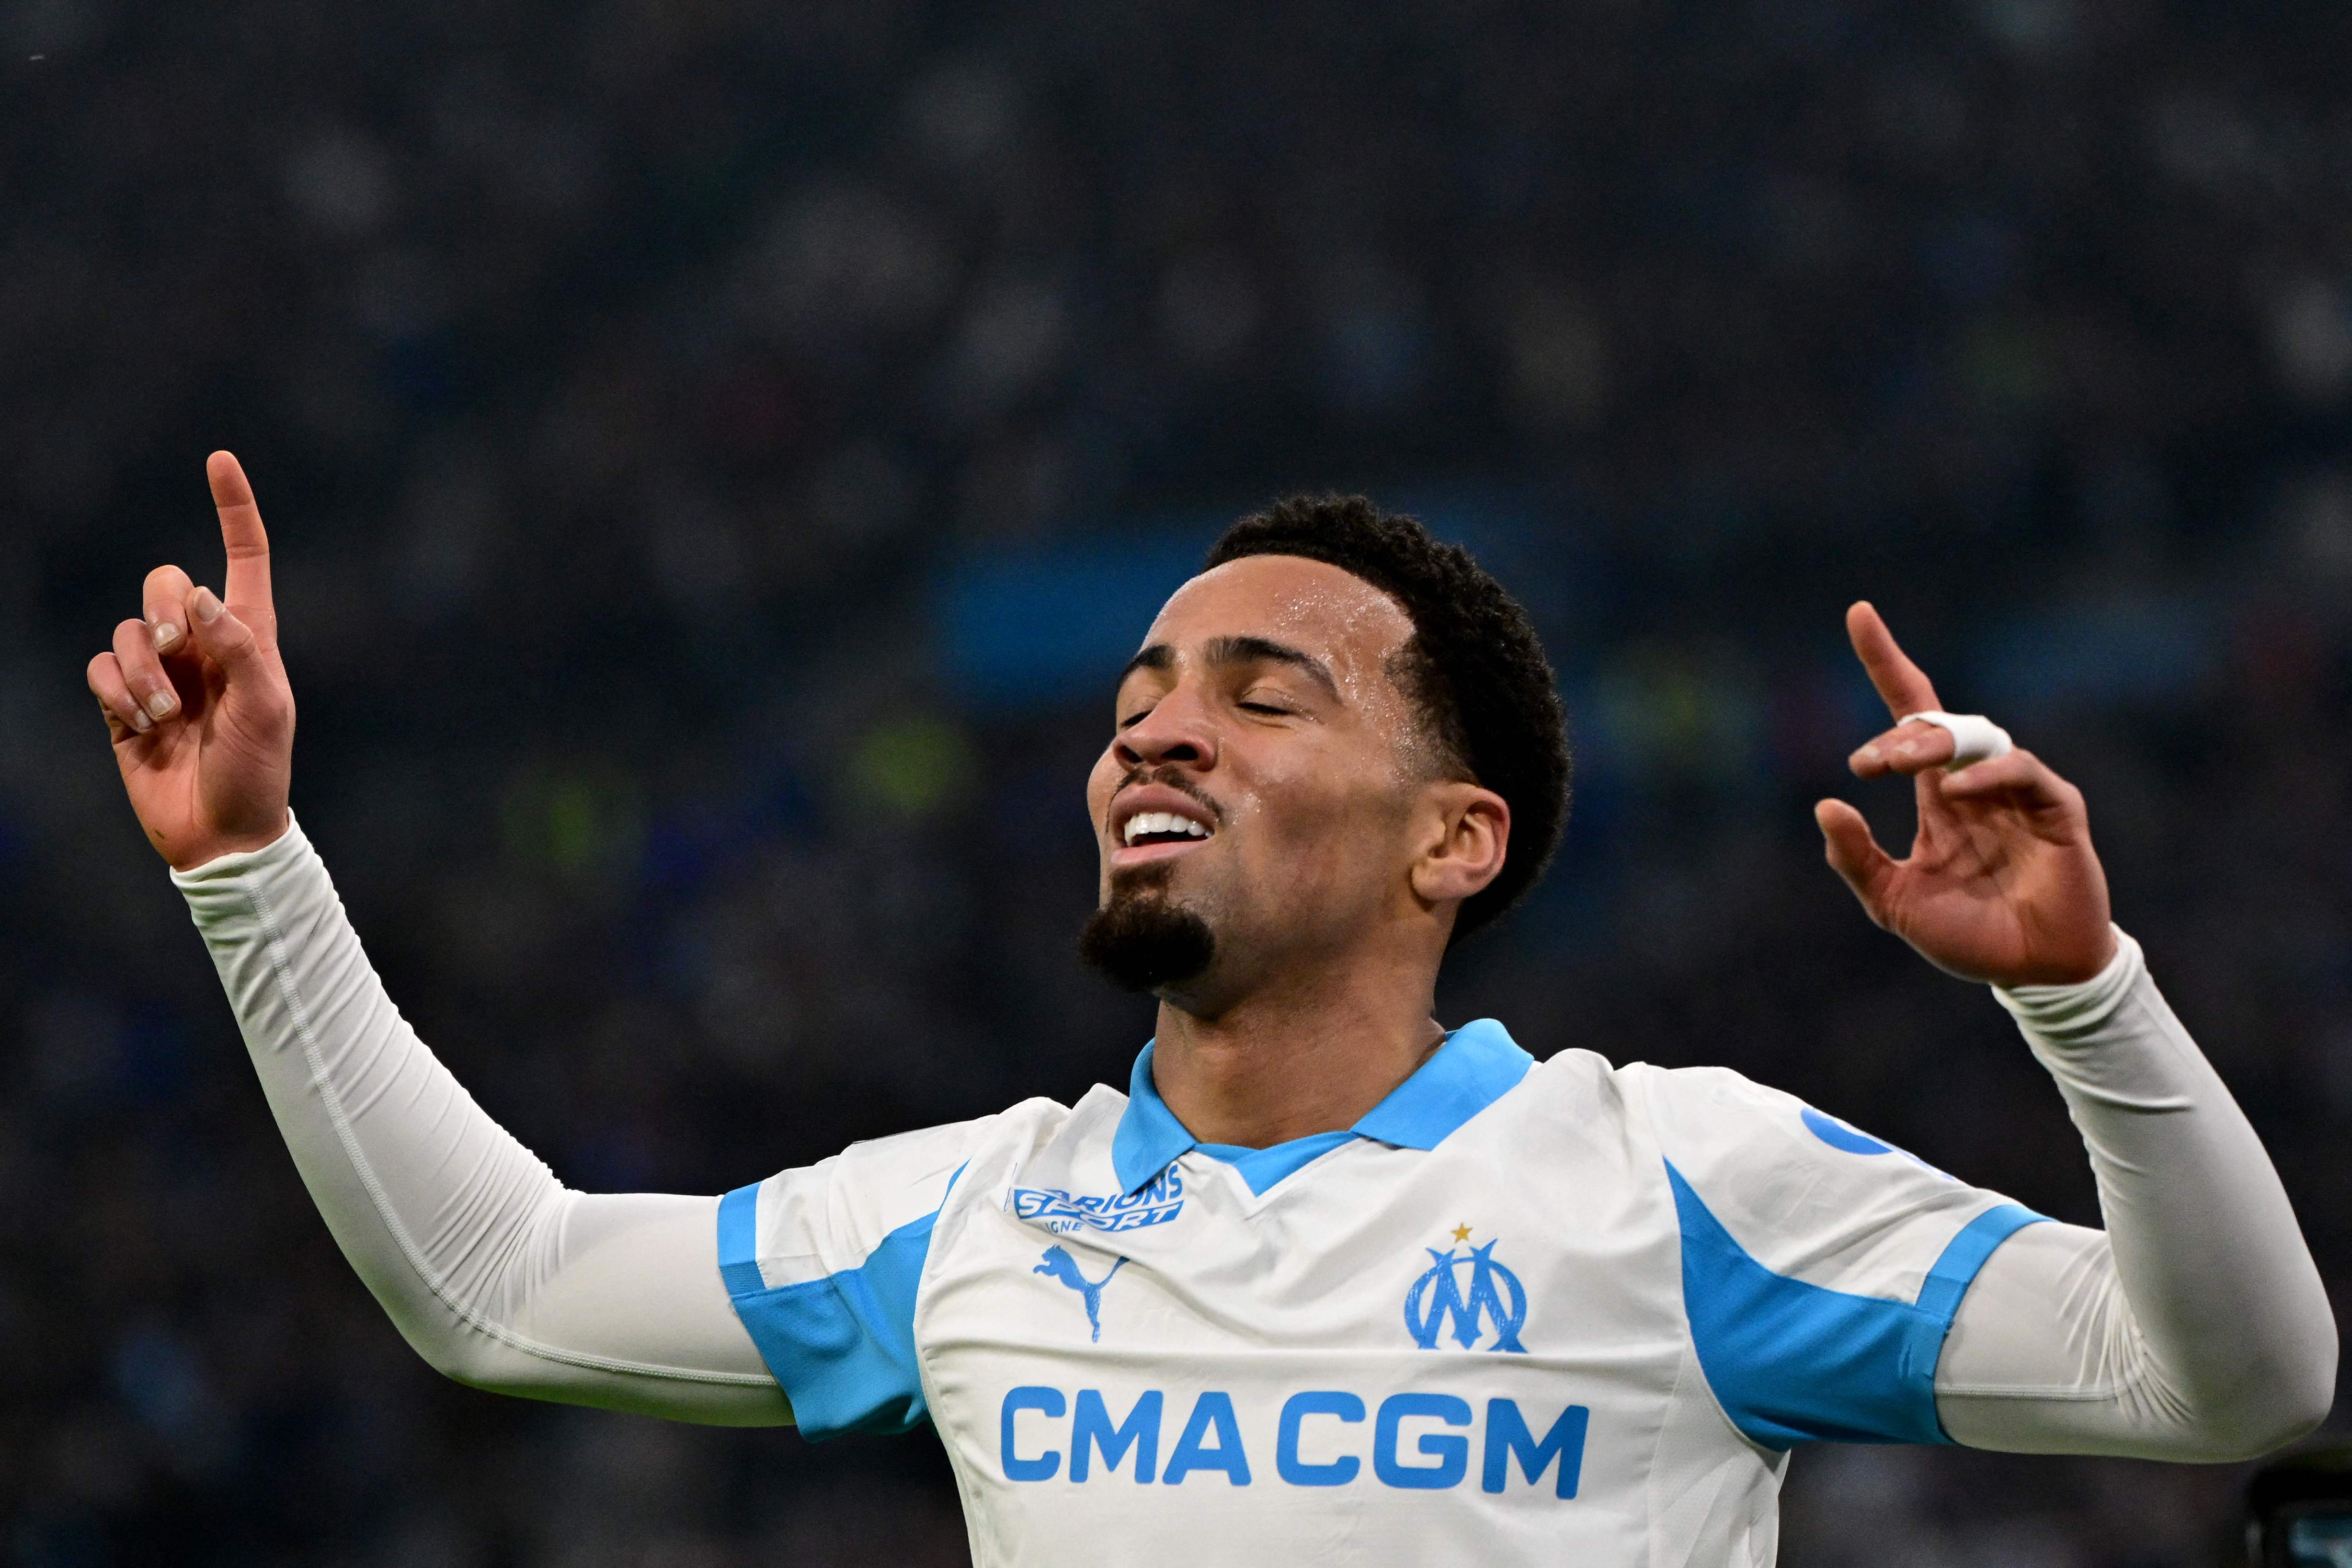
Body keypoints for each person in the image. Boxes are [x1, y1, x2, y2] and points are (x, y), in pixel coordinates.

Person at [90, 454, 2335, 1565]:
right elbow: (501, 1285)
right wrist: (244, 868)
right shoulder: (973, 1218)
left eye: (1262, 698)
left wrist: (2086, 1001)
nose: (1154, 736)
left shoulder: (1672, 1184)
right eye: (1143, 694)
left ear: (1455, 839)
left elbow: (2228, 1382)